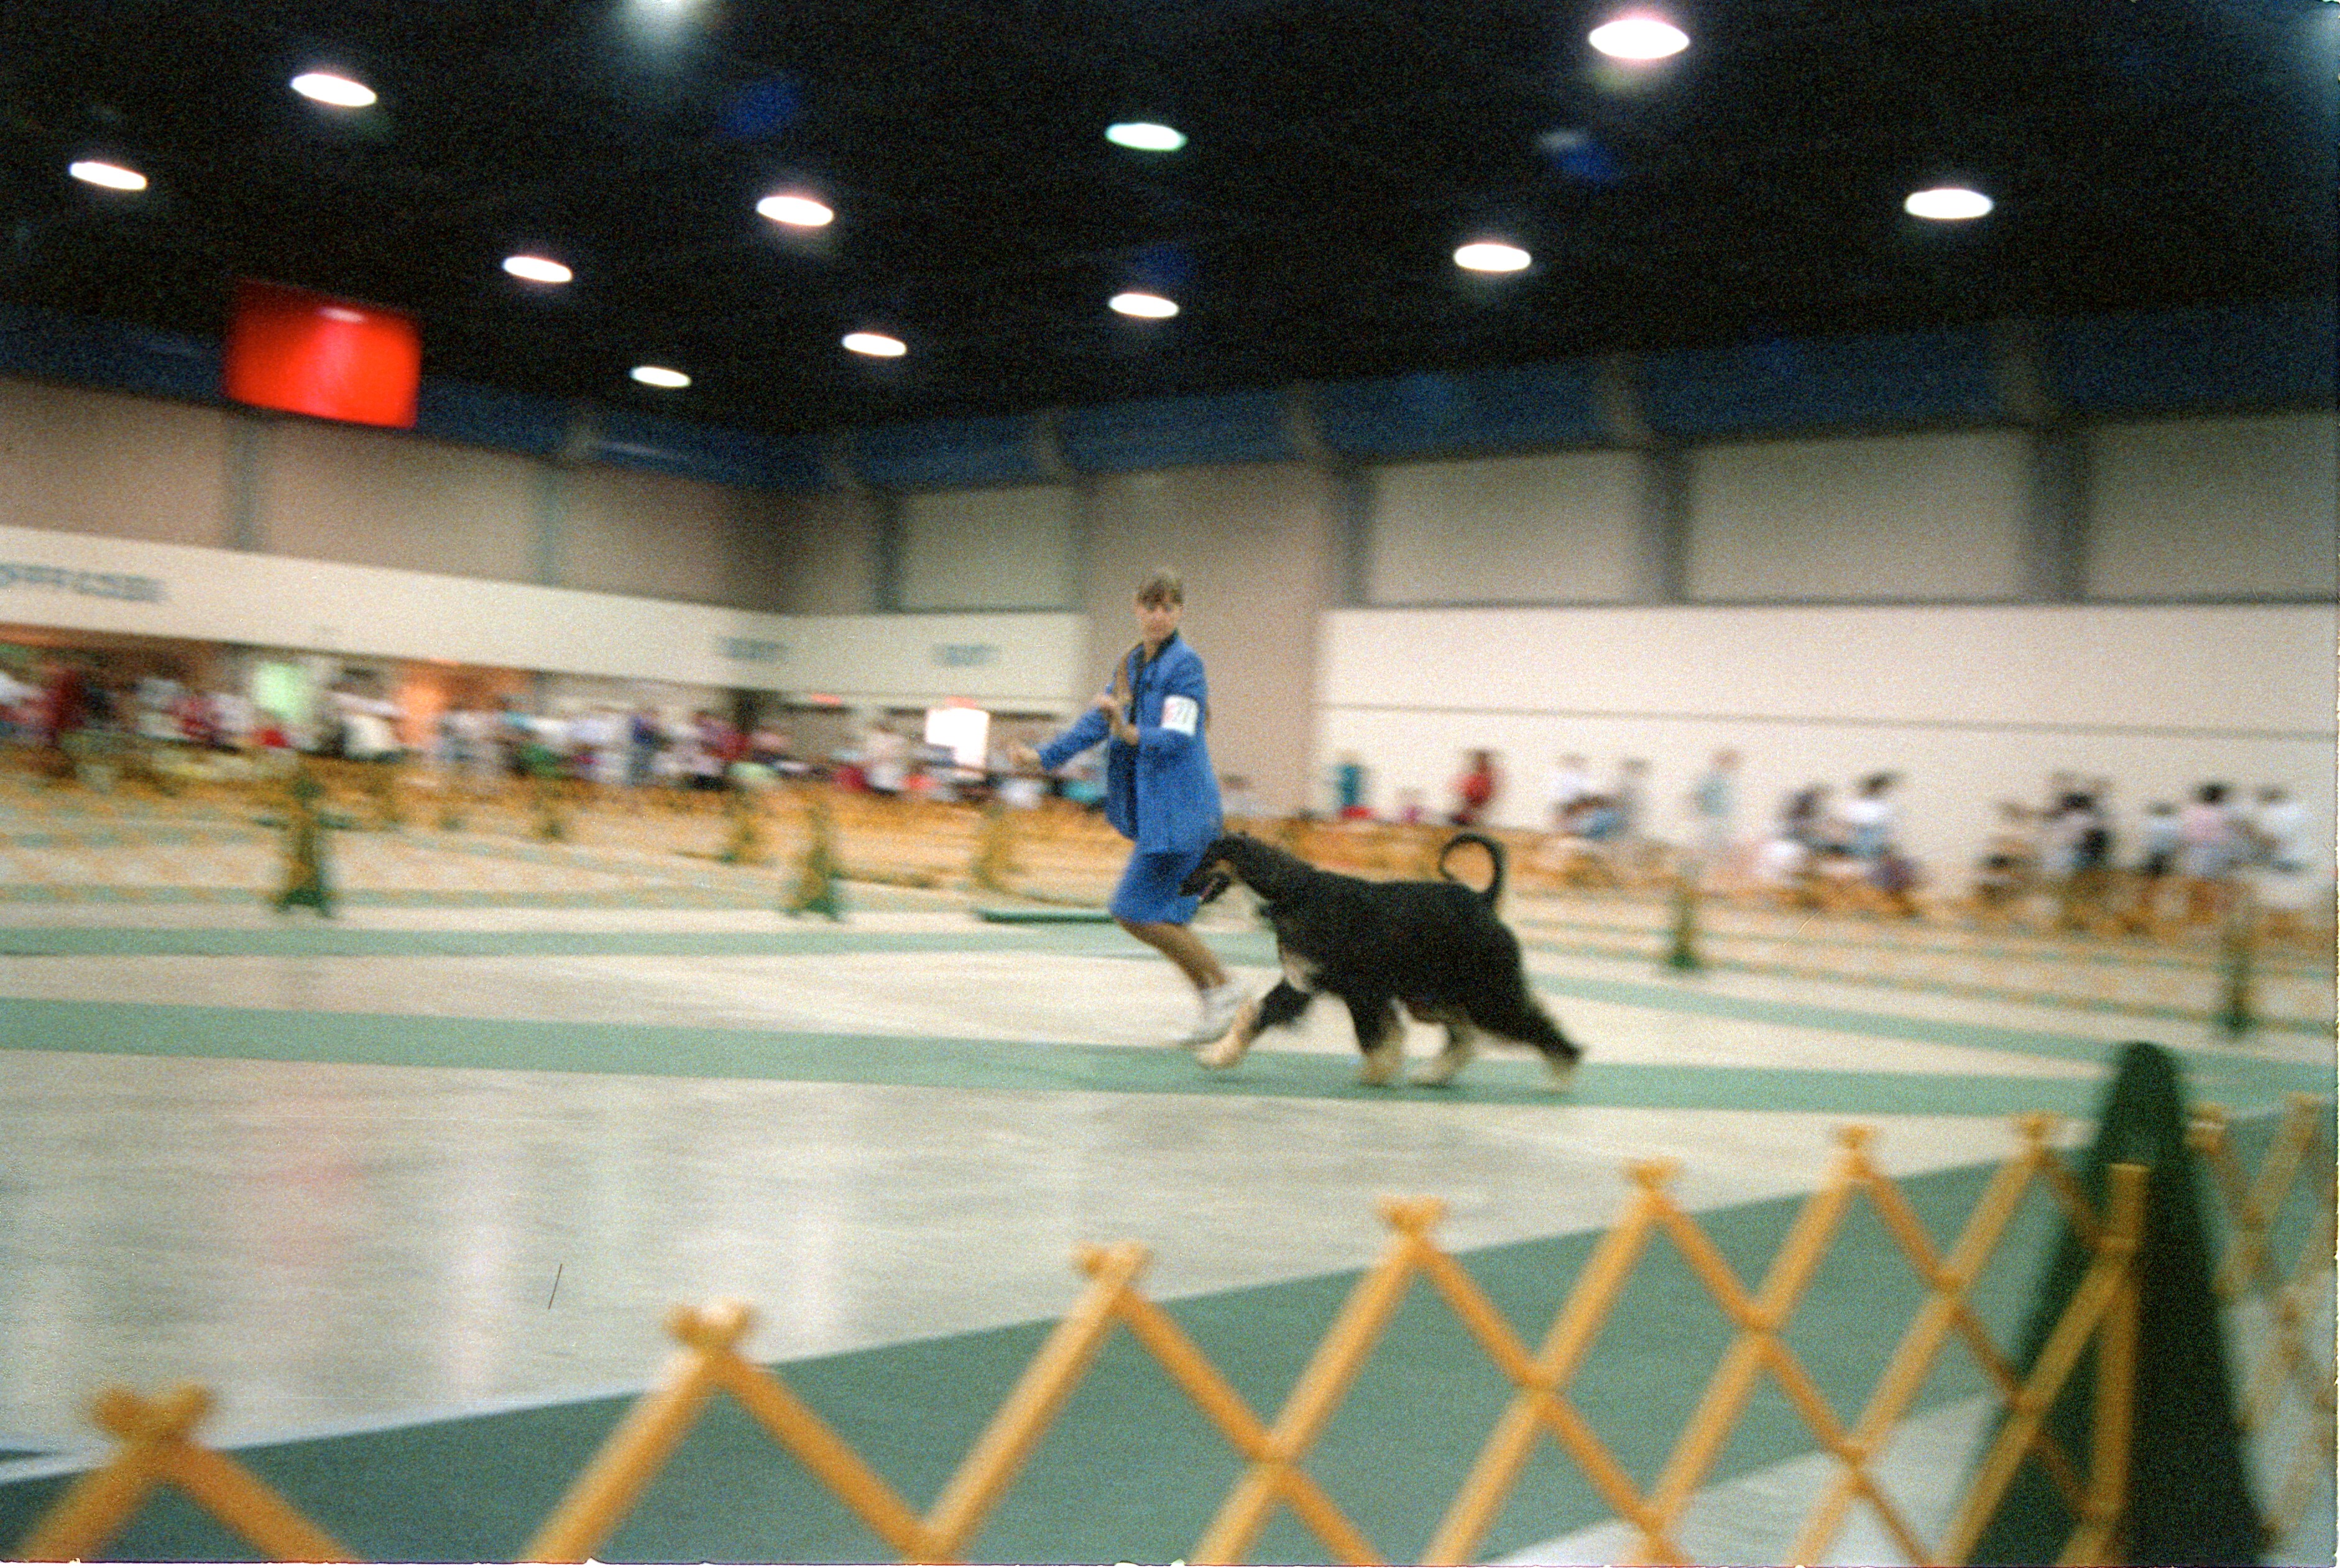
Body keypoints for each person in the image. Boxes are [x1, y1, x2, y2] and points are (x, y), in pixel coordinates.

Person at [1013, 571, 1245, 1044]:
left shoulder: (1186, 665)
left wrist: (1130, 732)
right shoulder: (1130, 666)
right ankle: (1218, 1000)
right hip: (1160, 815)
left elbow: (1178, 735)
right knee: (1164, 916)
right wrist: (1043, 757)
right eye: (1150, 605)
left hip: (1184, 813)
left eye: (1168, 606)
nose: (1158, 615)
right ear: (1136, 607)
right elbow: (1096, 723)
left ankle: (1226, 989)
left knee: (1132, 908)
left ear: (1179, 611)